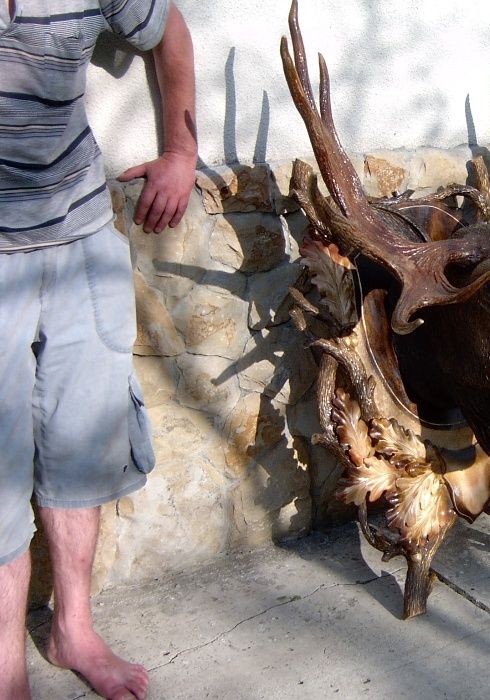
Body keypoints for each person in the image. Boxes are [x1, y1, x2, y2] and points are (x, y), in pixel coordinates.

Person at [0, 0, 196, 698]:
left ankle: (73, 629)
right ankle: (6, 670)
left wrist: (182, 154)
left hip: (81, 238)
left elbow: (168, 29)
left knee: (80, 446)